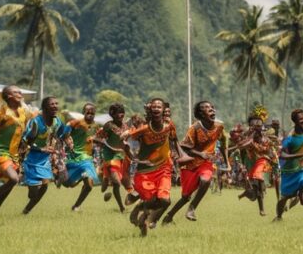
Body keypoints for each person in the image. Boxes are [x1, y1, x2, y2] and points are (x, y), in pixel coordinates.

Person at [122, 98, 189, 236]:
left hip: (164, 167)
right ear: (150, 110)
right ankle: (143, 221)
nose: (157, 108)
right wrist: (129, 147)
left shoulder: (170, 125)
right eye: (154, 106)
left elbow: (174, 140)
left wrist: (182, 156)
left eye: (160, 106)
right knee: (152, 200)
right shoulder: (144, 128)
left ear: (164, 110)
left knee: (165, 200)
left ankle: (141, 209)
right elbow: (125, 138)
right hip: (145, 170)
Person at [162, 101, 227, 224]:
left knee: (206, 180)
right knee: (185, 197)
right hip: (190, 165)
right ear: (201, 114)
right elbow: (184, 146)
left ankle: (192, 208)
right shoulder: (195, 128)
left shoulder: (219, 126)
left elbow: (223, 142)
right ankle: (169, 216)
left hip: (206, 162)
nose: (212, 109)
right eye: (207, 108)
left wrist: (226, 161)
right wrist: (200, 153)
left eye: (212, 107)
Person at [0, 85, 33, 223]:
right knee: (14, 179)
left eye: (20, 91)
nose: (20, 93)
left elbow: (32, 120)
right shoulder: (2, 113)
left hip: (15, 156)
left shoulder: (23, 111)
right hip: (2, 153)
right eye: (16, 92)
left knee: (8, 187)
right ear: (9, 96)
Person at [20, 96, 65, 215]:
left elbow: (61, 135)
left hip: (45, 159)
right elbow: (25, 142)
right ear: (44, 107)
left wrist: (63, 143)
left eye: (56, 103)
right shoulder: (35, 122)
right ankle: (29, 184)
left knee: (45, 185)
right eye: (52, 104)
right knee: (33, 193)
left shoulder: (57, 122)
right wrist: (41, 148)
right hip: (31, 158)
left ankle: (26, 211)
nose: (55, 106)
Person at [230, 115, 276, 217]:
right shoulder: (246, 136)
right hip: (250, 163)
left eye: (259, 124)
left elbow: (271, 149)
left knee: (260, 186)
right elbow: (239, 145)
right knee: (254, 194)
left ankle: (261, 209)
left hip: (263, 163)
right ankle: (247, 193)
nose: (256, 126)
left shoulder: (265, 137)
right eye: (253, 125)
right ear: (250, 126)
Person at [274, 109, 303, 221]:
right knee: (284, 198)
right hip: (289, 171)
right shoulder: (289, 137)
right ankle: (278, 217)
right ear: (295, 122)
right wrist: (299, 155)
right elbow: (282, 155)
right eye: (301, 119)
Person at [62, 103, 101, 211]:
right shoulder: (75, 123)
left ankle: (76, 206)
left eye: (92, 113)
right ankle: (79, 178)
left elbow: (95, 138)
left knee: (89, 185)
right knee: (67, 183)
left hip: (87, 158)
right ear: (84, 112)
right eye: (88, 112)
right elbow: (64, 135)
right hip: (73, 158)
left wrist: (98, 140)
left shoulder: (96, 126)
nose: (90, 115)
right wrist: (68, 140)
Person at [97, 103, 130, 212]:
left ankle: (121, 206)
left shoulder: (126, 126)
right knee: (116, 182)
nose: (120, 115)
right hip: (109, 154)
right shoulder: (109, 126)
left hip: (120, 154)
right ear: (112, 114)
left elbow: (126, 141)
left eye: (122, 112)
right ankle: (106, 177)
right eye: (117, 113)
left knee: (121, 183)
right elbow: (101, 138)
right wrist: (100, 139)